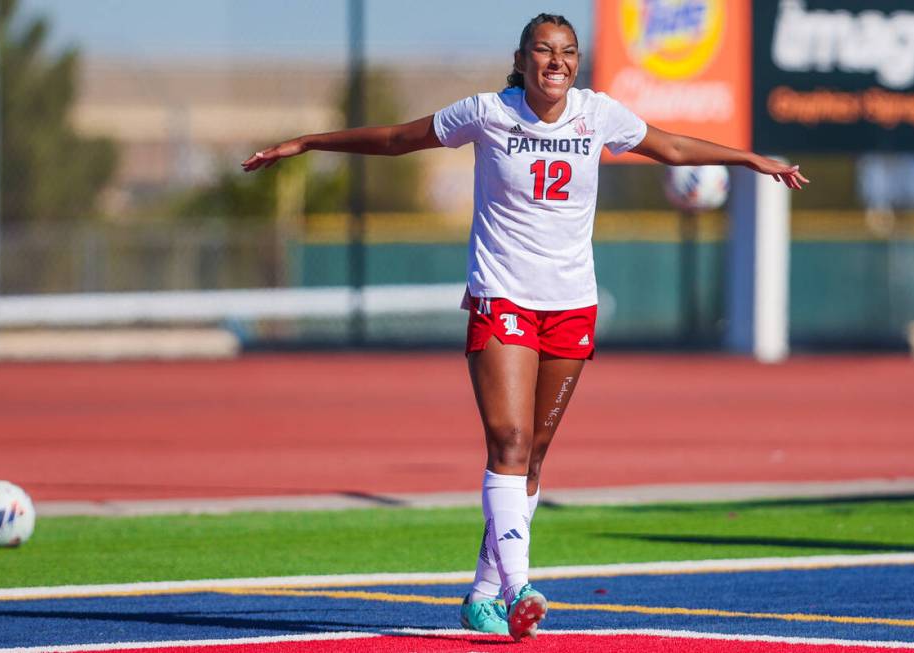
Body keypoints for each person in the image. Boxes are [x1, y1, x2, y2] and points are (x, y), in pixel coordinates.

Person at [242, 13, 808, 642]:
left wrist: (753, 159)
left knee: (533, 455)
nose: (556, 61)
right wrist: (309, 142)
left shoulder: (598, 114)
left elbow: (671, 146)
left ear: (578, 61)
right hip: (503, 296)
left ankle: (482, 593)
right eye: (544, 50)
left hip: (572, 305)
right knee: (508, 440)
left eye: (567, 51)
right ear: (522, 57)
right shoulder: (487, 111)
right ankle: (520, 589)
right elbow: (399, 139)